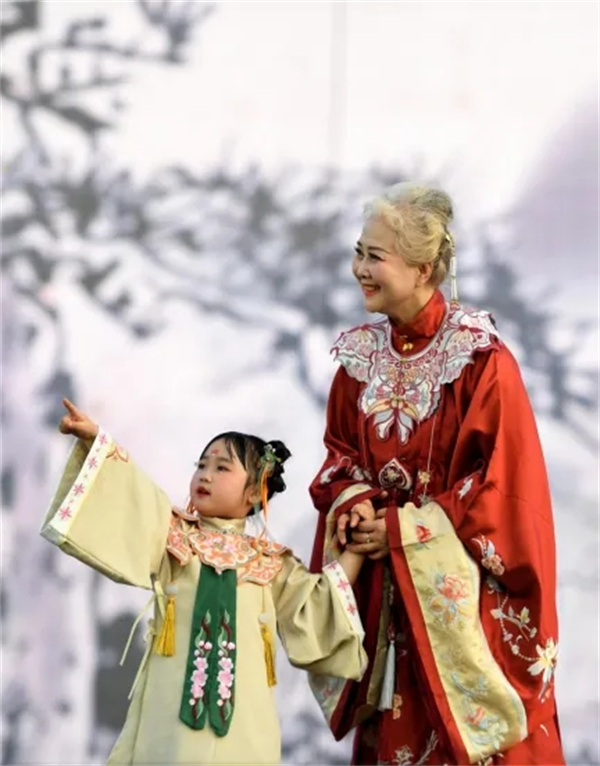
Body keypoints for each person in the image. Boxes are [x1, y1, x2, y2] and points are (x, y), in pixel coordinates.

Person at [308, 183, 564, 766]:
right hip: (389, 607)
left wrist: (405, 530)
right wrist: (355, 503)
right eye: (358, 253)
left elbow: (501, 482)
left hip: (459, 612)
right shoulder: (358, 361)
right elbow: (339, 454)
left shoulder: (481, 360)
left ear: (423, 269)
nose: (359, 269)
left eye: (375, 256)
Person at [41, 399, 369, 765]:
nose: (205, 475)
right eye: (201, 465)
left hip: (246, 720)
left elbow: (316, 607)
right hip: (169, 714)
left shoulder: (271, 563)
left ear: (254, 492)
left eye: (221, 467)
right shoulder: (174, 535)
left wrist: (355, 551)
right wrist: (96, 444)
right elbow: (136, 497)